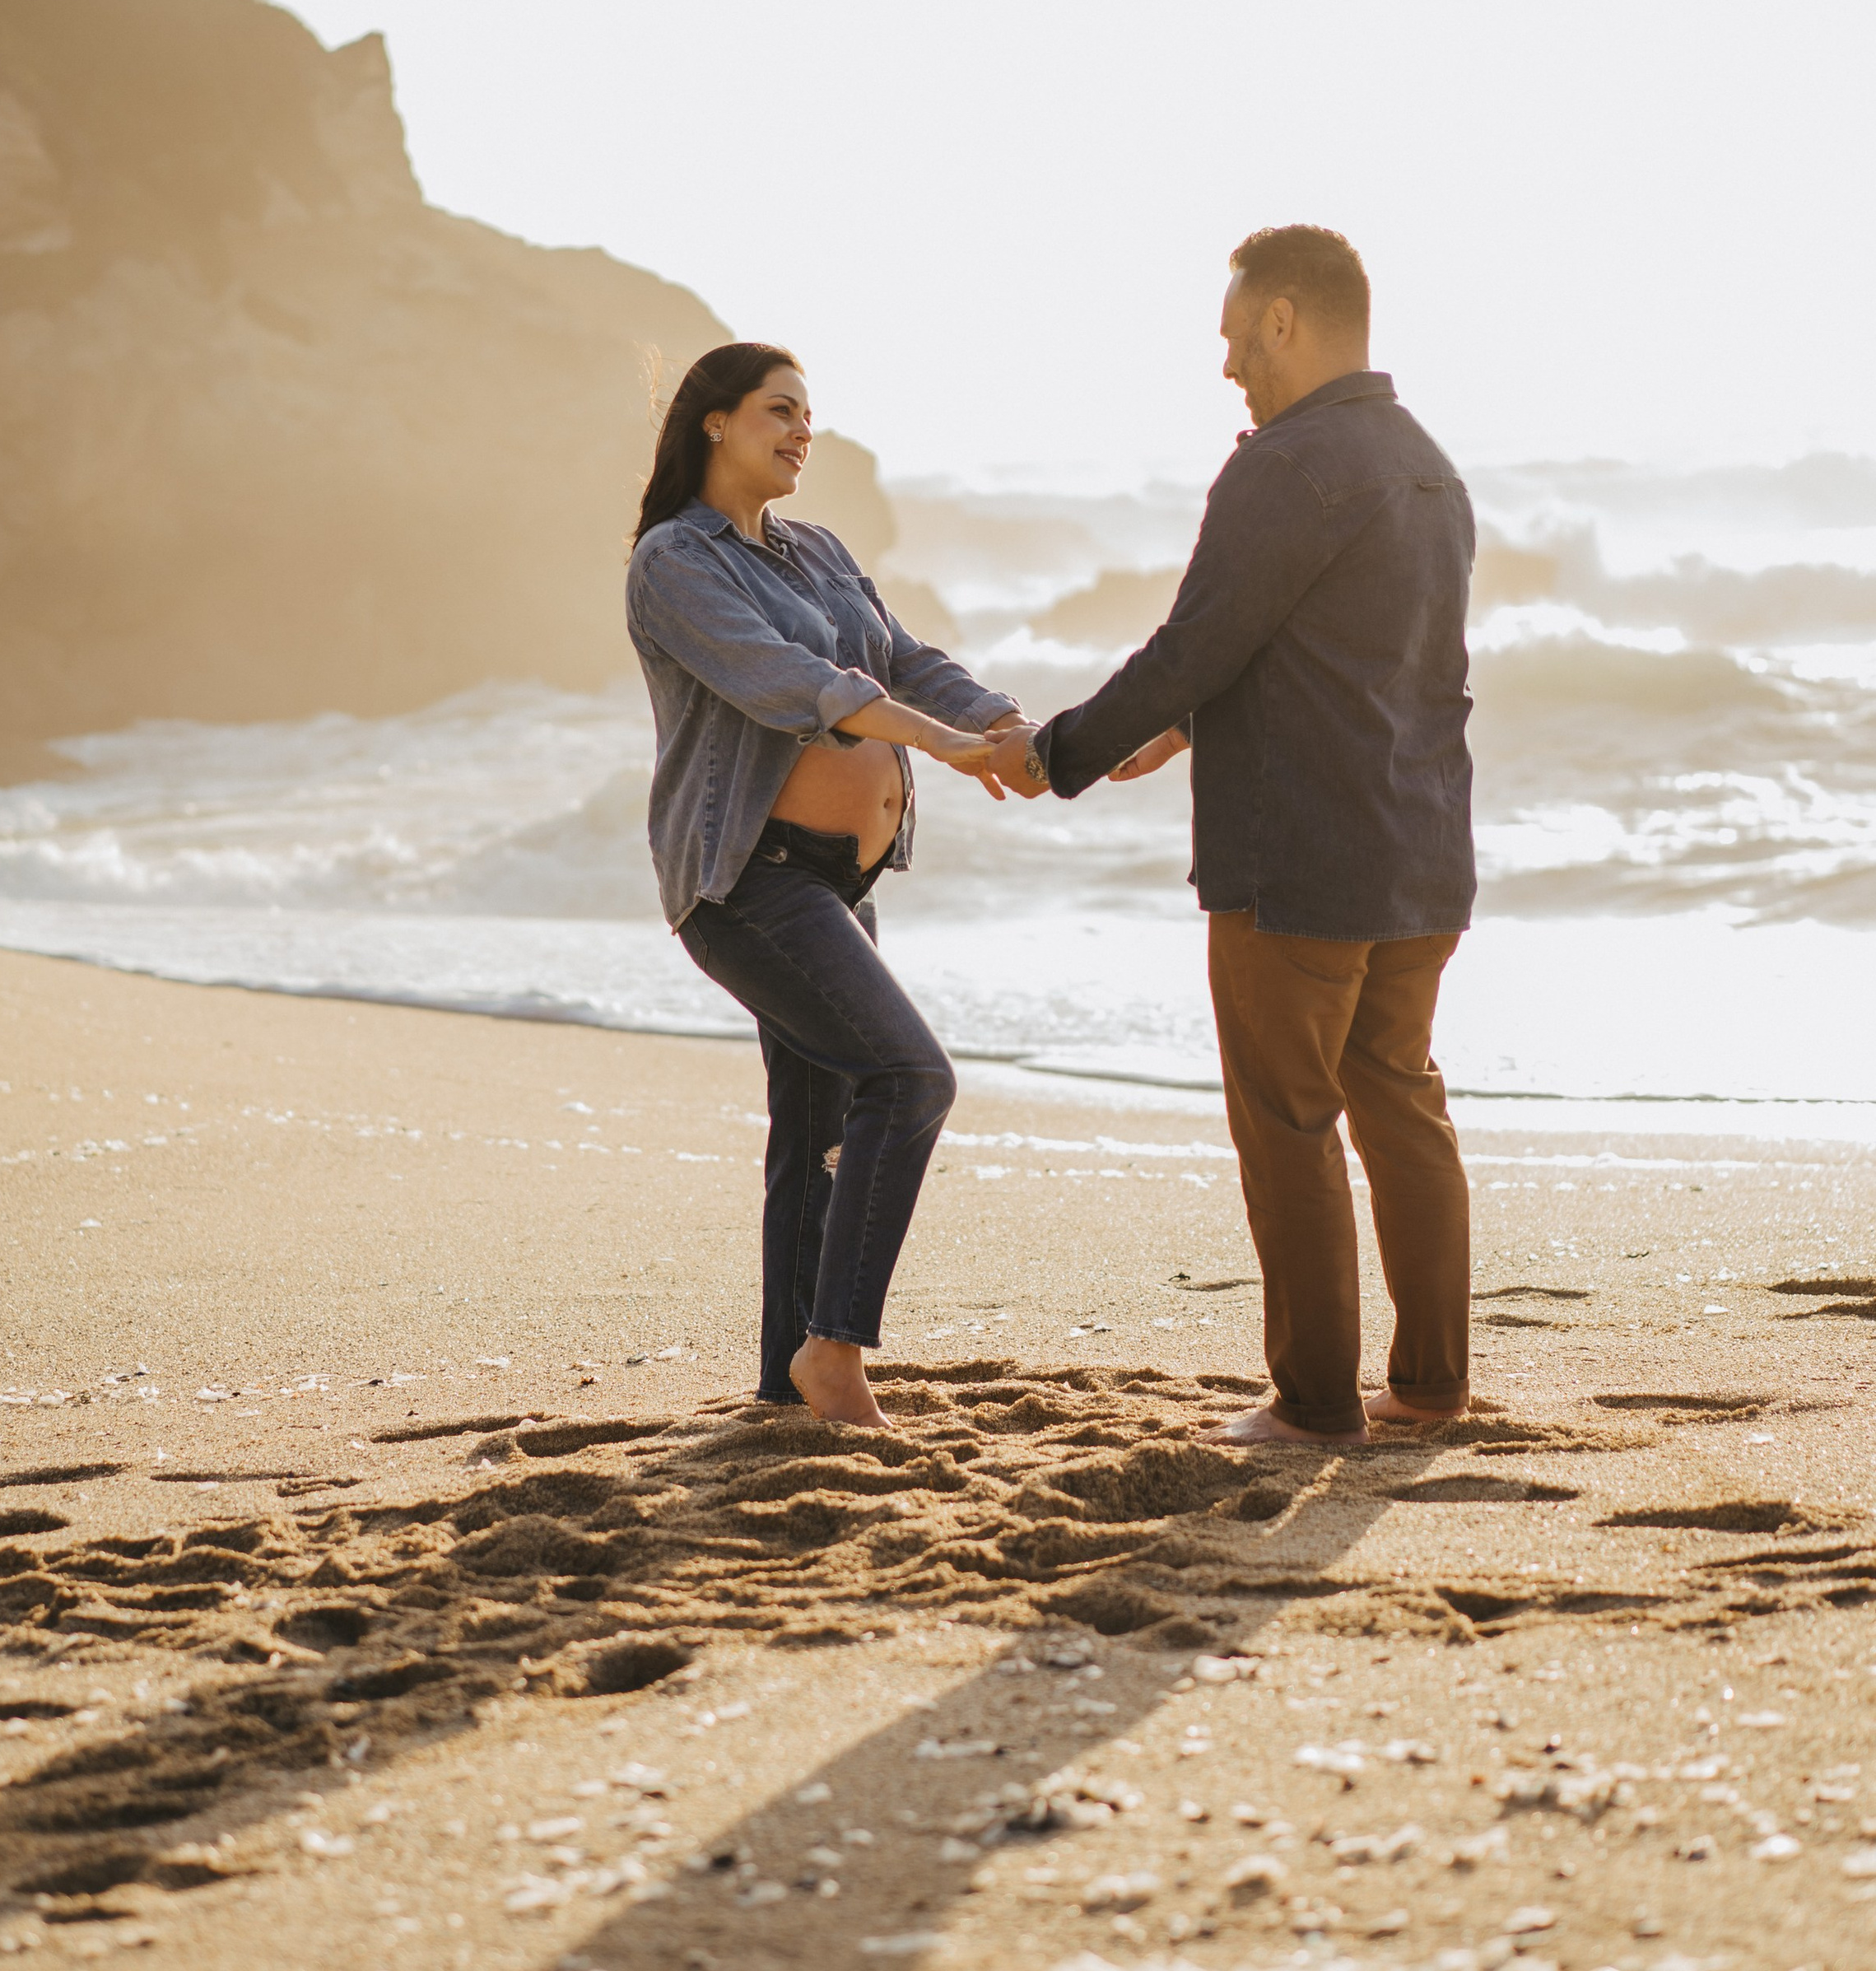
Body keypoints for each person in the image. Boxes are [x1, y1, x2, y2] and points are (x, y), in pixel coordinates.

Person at [989, 228, 1476, 1448]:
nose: (1225, 369)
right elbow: (1356, 659)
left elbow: (1195, 644)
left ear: (1284, 319)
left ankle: (1313, 1405)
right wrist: (1191, 730)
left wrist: (1060, 754)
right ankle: (1427, 1385)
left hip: (1296, 861)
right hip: (1419, 851)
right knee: (1403, 1106)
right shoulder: (1430, 467)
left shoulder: (1286, 465)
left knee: (1291, 1121)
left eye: (1231, 336)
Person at [628, 342, 1030, 1431]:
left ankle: (786, 1384)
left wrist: (1001, 725)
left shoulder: (819, 550)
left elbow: (899, 657)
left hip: (837, 884)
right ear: (713, 421)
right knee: (908, 1080)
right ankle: (838, 1353)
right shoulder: (676, 562)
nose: (802, 431)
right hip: (746, 882)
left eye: (809, 414)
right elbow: (795, 686)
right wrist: (944, 746)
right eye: (779, 411)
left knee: (813, 1138)